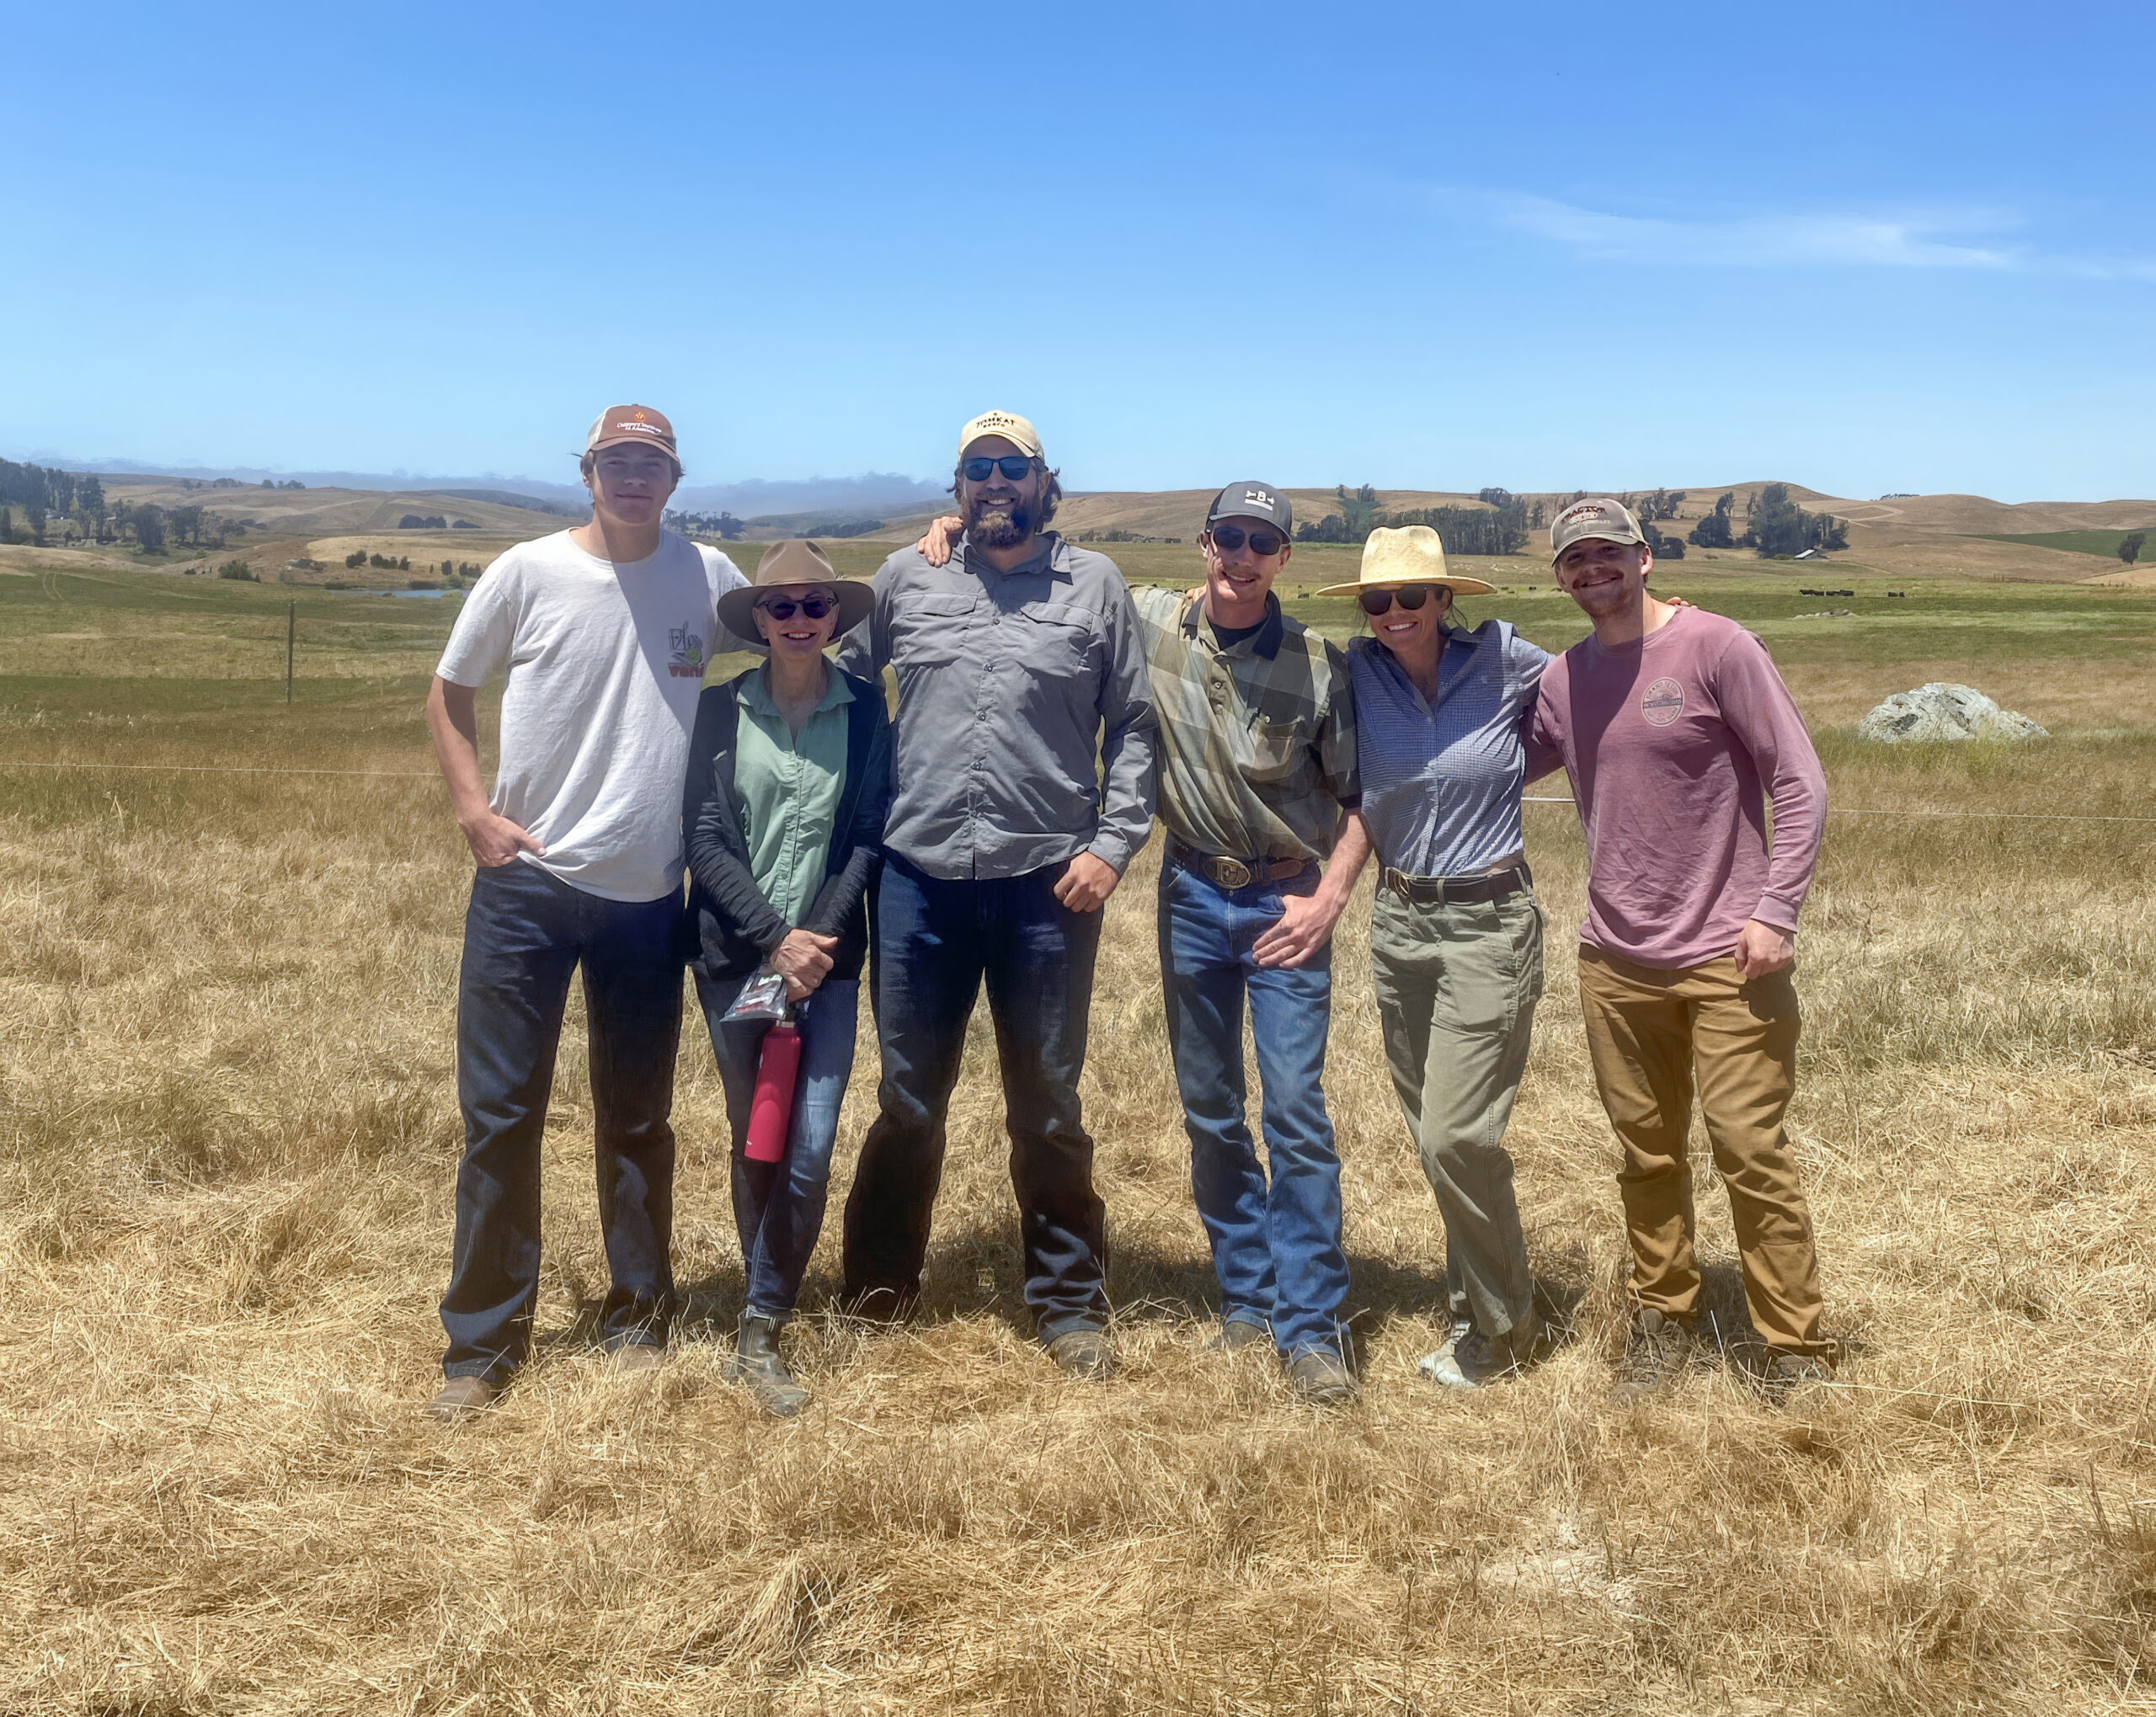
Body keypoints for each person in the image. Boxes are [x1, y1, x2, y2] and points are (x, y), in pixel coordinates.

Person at [922, 481, 1363, 1402]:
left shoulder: (1322, 663)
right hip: (1194, 892)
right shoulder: (1148, 615)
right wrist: (967, 526)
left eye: (1262, 543)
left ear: (1285, 557)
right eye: (1228, 538)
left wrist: (1328, 899)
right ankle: (1246, 1300)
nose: (1242, 557)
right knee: (1210, 1110)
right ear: (1204, 544)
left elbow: (1362, 798)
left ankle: (1312, 1325)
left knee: (1294, 1112)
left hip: (1287, 905)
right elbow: (1047, 562)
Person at [423, 405, 750, 1422]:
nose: (634, 478)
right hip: (526, 888)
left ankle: (638, 1313)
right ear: (588, 473)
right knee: (501, 1118)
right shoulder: (527, 570)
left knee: (638, 1117)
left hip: (652, 896)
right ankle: (482, 1343)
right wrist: (474, 809)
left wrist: (936, 541)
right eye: (617, 462)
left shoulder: (711, 575)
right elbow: (448, 687)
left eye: (651, 463)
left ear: (674, 475)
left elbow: (814, 609)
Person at [834, 410, 1156, 1379]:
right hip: (916, 879)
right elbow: (836, 689)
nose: (994, 483)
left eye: (1011, 467)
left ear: (1043, 481)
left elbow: (1134, 723)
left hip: (1048, 886)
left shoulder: (1093, 585)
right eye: (977, 469)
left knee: (1048, 1102)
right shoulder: (905, 577)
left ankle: (1067, 1300)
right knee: (906, 1098)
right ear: (958, 487)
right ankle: (880, 1287)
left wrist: (1112, 844)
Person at [1528, 496, 1833, 1405]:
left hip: (1728, 953)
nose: (1592, 570)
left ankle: (1794, 1347)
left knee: (1749, 1147)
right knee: (1645, 1151)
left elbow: (1798, 778)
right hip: (1614, 959)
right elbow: (1490, 763)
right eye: (1574, 560)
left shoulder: (1717, 647)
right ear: (1561, 577)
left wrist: (1775, 909)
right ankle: (1665, 1314)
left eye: (1607, 553)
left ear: (1644, 557)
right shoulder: (1563, 678)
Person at [1316, 525, 1555, 1390]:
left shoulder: (1508, 660)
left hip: (1490, 921)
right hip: (1400, 924)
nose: (1392, 614)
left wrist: (1667, 617)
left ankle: (1500, 1329)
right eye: (1376, 600)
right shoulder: (1354, 671)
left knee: (1459, 1135)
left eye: (1410, 598)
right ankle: (1479, 1303)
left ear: (1444, 600)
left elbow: (1602, 676)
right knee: (1435, 1138)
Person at [685, 539, 889, 1417]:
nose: (800, 619)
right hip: (738, 962)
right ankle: (760, 1322)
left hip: (831, 966)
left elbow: (867, 839)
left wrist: (817, 942)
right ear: (759, 621)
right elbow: (703, 839)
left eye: (815, 605)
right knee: (755, 1135)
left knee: (807, 1142)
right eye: (782, 607)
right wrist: (775, 939)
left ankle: (761, 1312)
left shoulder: (870, 714)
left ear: (835, 618)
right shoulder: (718, 712)